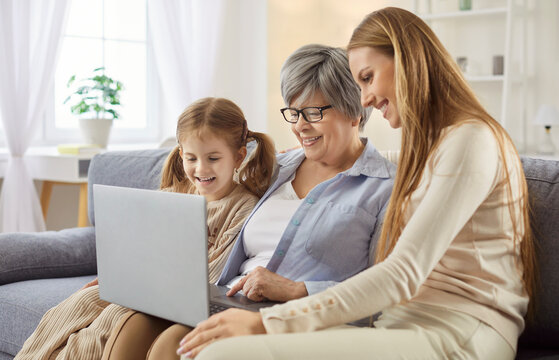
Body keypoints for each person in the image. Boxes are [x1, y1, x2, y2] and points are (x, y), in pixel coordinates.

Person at [172, 7, 538, 360]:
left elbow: (402, 274)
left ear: (407, 60)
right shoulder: (430, 147)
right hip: (397, 321)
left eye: (367, 78)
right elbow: (391, 169)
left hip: (460, 328)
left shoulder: (471, 140)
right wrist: (318, 154)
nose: (364, 99)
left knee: (223, 353)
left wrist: (267, 323)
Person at [102, 44, 395, 360]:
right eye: (293, 113)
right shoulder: (275, 167)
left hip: (295, 313)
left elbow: (388, 286)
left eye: (313, 113)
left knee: (170, 347)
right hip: (228, 296)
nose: (300, 126)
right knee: (131, 326)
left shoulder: (385, 186)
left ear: (354, 110)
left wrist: (294, 289)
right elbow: (206, 183)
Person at [14, 97, 276, 360]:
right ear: (181, 154)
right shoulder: (173, 195)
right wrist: (114, 278)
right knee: (76, 304)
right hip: (143, 286)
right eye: (191, 158)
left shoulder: (242, 206)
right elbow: (140, 249)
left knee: (114, 319)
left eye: (213, 158)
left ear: (239, 156)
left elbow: (215, 272)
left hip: (173, 297)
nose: (201, 168)